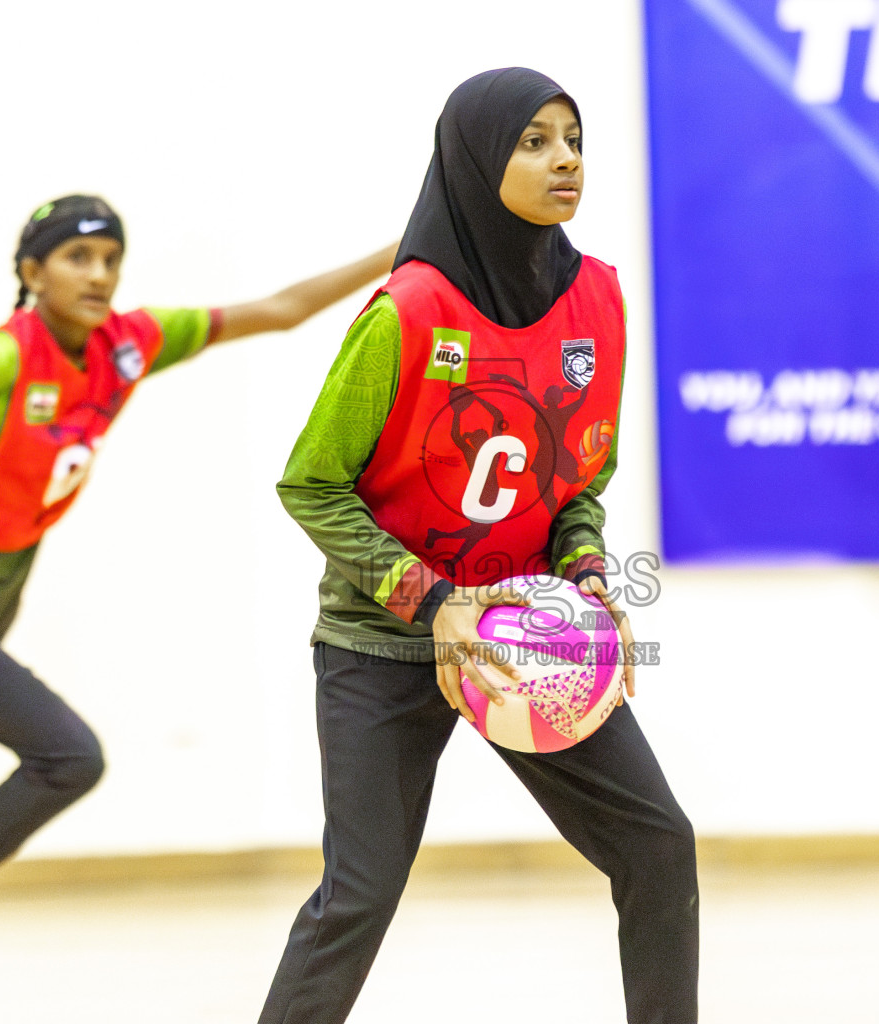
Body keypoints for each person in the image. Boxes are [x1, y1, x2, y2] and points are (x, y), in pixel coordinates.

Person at [0, 195, 397, 1024]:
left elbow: (281, 311)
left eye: (111, 260)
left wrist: (399, 249)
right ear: (31, 273)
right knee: (68, 756)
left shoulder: (127, 347)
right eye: (77, 259)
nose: (99, 275)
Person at [265, 69, 700, 1024]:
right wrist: (434, 601)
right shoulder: (407, 312)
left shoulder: (601, 303)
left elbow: (581, 480)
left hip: (524, 638)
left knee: (660, 846)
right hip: (384, 641)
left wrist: (587, 581)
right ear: (473, 161)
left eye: (572, 138)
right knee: (362, 894)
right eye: (534, 141)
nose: (565, 160)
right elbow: (310, 484)